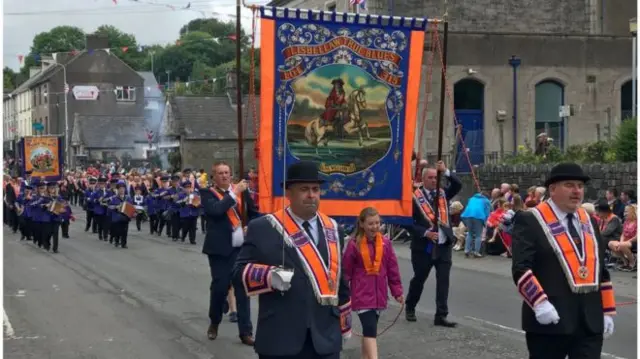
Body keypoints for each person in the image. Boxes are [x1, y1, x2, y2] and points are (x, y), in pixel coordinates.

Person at [233, 161, 352, 359]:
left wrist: (344, 323)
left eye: (315, 189)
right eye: (304, 189)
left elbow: (340, 282)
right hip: (279, 338)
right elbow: (237, 274)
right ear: (288, 193)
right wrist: (269, 277)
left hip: (325, 338)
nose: (311, 195)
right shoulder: (263, 228)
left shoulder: (333, 229)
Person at [512, 162, 616, 359]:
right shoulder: (530, 219)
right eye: (569, 185)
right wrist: (539, 303)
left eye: (580, 186)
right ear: (552, 189)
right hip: (550, 320)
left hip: (589, 321)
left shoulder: (589, 220)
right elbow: (521, 268)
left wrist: (607, 310)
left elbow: (600, 269)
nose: (576, 191)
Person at [202, 161, 259, 346]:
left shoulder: (242, 191)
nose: (225, 176)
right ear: (214, 176)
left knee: (243, 290)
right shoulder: (208, 194)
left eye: (227, 172)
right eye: (220, 173)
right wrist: (234, 194)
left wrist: (250, 225)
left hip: (240, 249)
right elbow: (216, 211)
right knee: (220, 288)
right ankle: (215, 321)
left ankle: (246, 331)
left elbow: (252, 213)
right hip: (219, 250)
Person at [405, 160, 462, 326]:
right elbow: (407, 222)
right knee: (419, 278)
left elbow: (457, 185)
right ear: (423, 180)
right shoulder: (414, 198)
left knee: (443, 281)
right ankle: (410, 306)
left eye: (435, 178)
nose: (433, 181)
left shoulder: (443, 194)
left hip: (443, 246)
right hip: (423, 247)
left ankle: (441, 315)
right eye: (430, 178)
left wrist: (445, 171)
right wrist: (425, 232)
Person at [342, 207, 403, 359]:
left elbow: (392, 269)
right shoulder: (353, 244)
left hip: (379, 295)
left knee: (369, 331)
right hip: (362, 295)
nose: (375, 227)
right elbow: (345, 272)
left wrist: (397, 292)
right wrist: (342, 295)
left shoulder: (386, 243)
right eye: (370, 223)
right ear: (361, 224)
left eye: (377, 223)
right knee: (370, 330)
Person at [460, 192, 491, 257]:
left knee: (470, 233)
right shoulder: (486, 201)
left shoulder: (471, 199)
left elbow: (467, 207)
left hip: (468, 215)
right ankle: (476, 252)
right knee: (478, 235)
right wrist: (484, 221)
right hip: (479, 216)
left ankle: (467, 250)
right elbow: (487, 212)